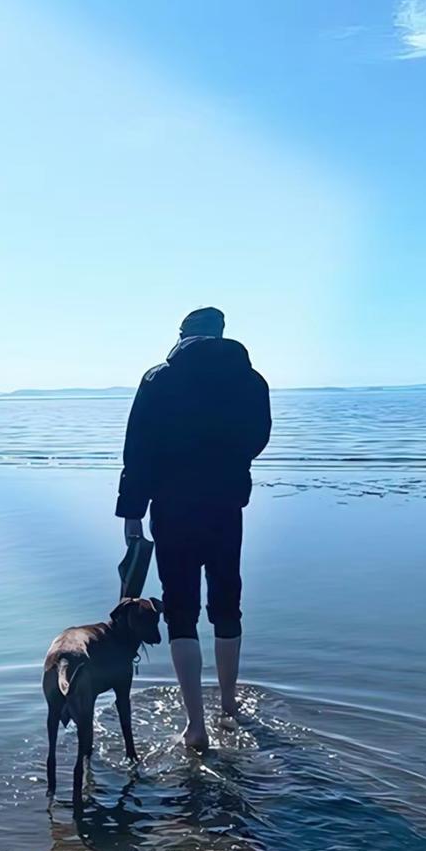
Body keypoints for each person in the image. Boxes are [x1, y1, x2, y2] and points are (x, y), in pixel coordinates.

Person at [116, 307, 271, 751]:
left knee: (181, 610)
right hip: (226, 504)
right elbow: (258, 438)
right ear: (221, 334)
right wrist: (225, 462)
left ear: (182, 335)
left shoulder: (158, 379)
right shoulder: (250, 380)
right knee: (227, 602)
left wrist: (132, 510)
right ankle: (229, 706)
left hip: (172, 507)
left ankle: (195, 726)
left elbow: (138, 448)